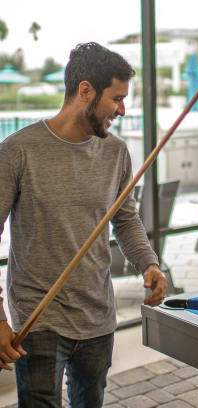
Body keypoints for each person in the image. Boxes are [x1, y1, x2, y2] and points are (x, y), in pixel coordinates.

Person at [0, 42, 167, 407]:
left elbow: (126, 219)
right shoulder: (17, 151)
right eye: (117, 98)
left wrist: (150, 263)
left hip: (98, 317)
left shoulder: (116, 152)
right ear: (85, 91)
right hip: (38, 319)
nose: (123, 110)